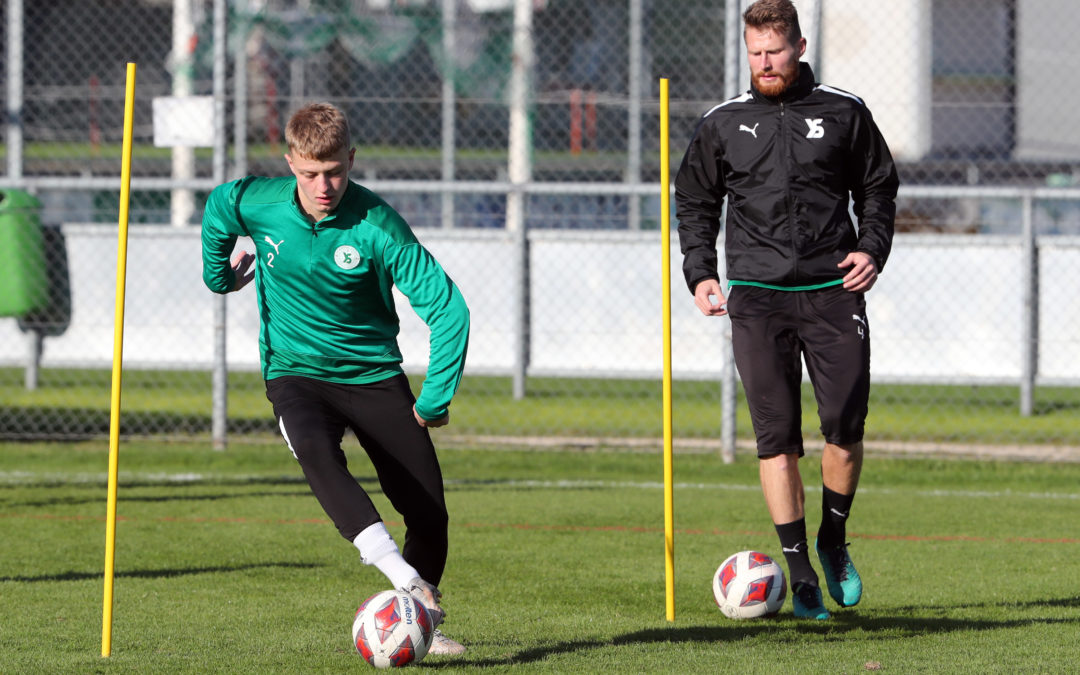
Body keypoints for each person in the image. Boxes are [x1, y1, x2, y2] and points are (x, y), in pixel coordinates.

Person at [201, 102, 471, 653]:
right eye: (308, 174)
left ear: (351, 159)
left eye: (334, 172)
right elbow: (218, 208)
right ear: (290, 163)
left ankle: (417, 624)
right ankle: (407, 585)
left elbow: (448, 310)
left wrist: (435, 397)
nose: (322, 186)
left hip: (372, 374)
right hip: (294, 373)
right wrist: (218, 275)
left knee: (429, 513)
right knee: (318, 456)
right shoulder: (259, 202)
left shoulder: (379, 226)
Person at [675, 0, 898, 620]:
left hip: (832, 291)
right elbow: (694, 200)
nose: (764, 63)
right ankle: (798, 570)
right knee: (776, 437)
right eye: (755, 53)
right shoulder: (723, 123)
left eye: (774, 50)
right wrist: (700, 272)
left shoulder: (845, 111)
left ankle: (832, 539)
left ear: (799, 46)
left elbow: (877, 186)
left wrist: (871, 247)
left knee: (844, 426)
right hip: (758, 297)